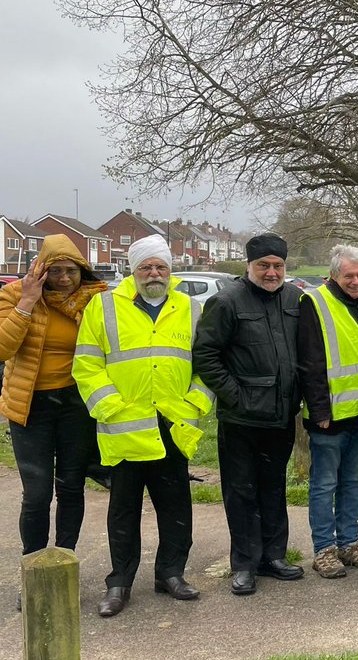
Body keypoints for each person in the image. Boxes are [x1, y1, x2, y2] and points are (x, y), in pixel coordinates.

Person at [73, 235, 213, 617]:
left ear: (170, 270)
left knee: (175, 507)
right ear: (132, 272)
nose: (154, 273)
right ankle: (119, 582)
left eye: (161, 266)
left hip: (172, 426)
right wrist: (110, 407)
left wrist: (194, 404)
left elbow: (207, 364)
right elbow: (86, 364)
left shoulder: (191, 307)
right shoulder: (102, 307)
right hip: (125, 428)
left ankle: (171, 574)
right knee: (123, 510)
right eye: (146, 267)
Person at [194, 233, 304, 596]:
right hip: (241, 419)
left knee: (273, 488)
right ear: (249, 265)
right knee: (241, 493)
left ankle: (273, 556)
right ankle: (243, 564)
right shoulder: (226, 301)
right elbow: (206, 355)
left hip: (282, 415)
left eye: (278, 266)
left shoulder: (295, 299)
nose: (271, 272)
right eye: (264, 266)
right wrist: (235, 396)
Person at [1, 236, 107, 584]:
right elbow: (3, 349)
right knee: (37, 493)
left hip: (76, 405)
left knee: (71, 487)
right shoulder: (15, 294)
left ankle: (64, 567)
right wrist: (27, 303)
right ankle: (34, 574)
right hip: (31, 406)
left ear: (83, 271)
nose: (63, 279)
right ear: (40, 270)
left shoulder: (93, 301)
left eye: (71, 271)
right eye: (55, 271)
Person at [297, 245, 358, 579]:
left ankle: (350, 544)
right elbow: (309, 362)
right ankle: (324, 550)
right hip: (330, 416)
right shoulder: (315, 302)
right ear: (334, 274)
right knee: (324, 484)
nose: (355, 281)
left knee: (352, 481)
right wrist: (319, 408)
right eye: (348, 275)